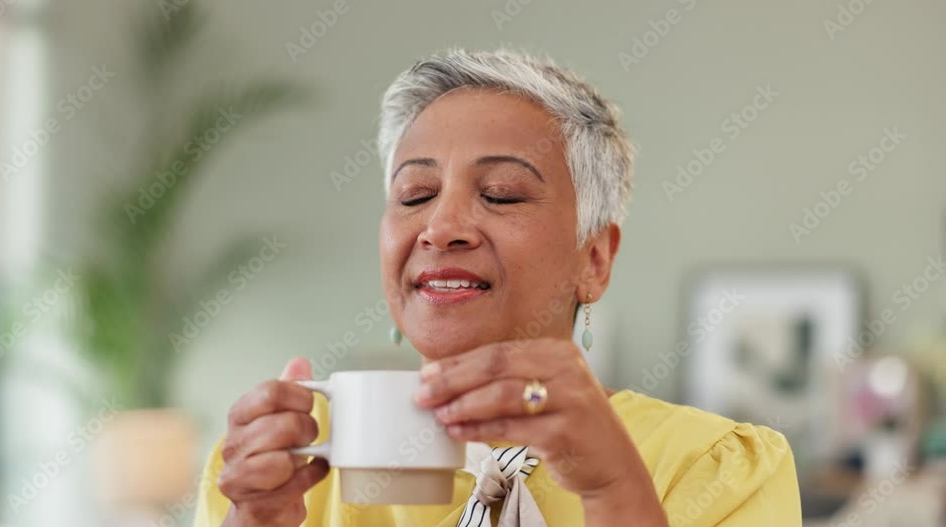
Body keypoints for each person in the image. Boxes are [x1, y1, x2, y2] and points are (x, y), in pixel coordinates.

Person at [193, 48, 801, 526]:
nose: (441, 227)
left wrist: (613, 490)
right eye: (415, 195)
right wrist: (254, 522)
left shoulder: (720, 466)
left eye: (502, 194)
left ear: (594, 259)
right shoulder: (290, 460)